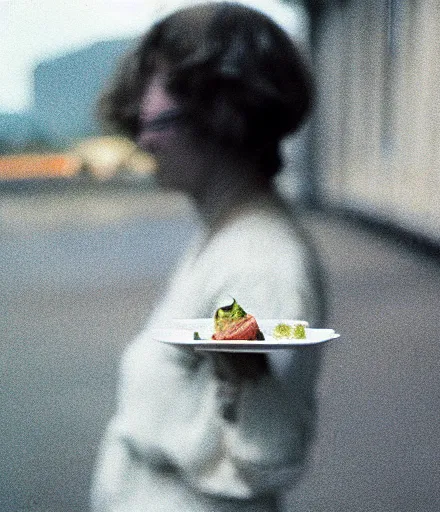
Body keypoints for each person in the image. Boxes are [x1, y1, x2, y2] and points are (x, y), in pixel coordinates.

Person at [91, 3, 326, 511]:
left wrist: (252, 367)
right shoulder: (228, 236)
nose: (141, 135)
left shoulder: (257, 262)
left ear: (217, 113)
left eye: (152, 111)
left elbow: (266, 446)